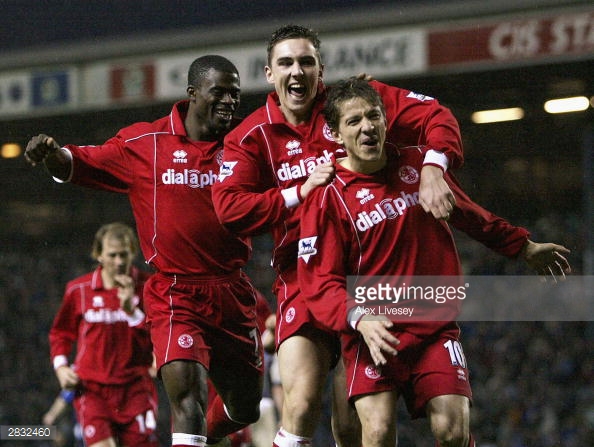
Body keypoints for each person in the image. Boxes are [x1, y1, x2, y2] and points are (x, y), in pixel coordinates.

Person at [212, 24, 465, 447]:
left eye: (306, 62)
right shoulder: (253, 136)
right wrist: (297, 192)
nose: (298, 71)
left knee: (357, 426)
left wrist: (434, 166)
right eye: (286, 63)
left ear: (320, 68)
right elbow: (229, 208)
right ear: (270, 74)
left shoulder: (356, 104)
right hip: (305, 278)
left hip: (370, 279)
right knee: (303, 403)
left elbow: (436, 115)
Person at [297, 77, 572, 447]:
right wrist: (359, 317)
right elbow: (319, 280)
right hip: (374, 331)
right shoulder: (328, 196)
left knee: (453, 431)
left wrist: (522, 247)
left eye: (374, 116)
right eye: (354, 121)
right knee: (376, 434)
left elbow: (468, 214)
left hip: (433, 325)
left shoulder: (415, 165)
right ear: (335, 134)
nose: (367, 127)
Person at [25, 55, 263, 447]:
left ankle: (213, 434)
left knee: (246, 407)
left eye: (234, 94)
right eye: (217, 92)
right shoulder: (146, 143)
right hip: (175, 293)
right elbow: (83, 162)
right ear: (192, 94)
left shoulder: (246, 147)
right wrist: (53, 154)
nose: (228, 102)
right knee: (188, 399)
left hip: (232, 292)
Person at [48, 222, 158, 447]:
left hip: (136, 389)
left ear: (133, 253)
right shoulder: (79, 290)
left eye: (124, 255)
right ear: (98, 255)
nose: (119, 262)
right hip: (92, 390)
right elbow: (61, 332)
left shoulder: (149, 288)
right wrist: (61, 367)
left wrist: (130, 311)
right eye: (112, 255)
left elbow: (157, 338)